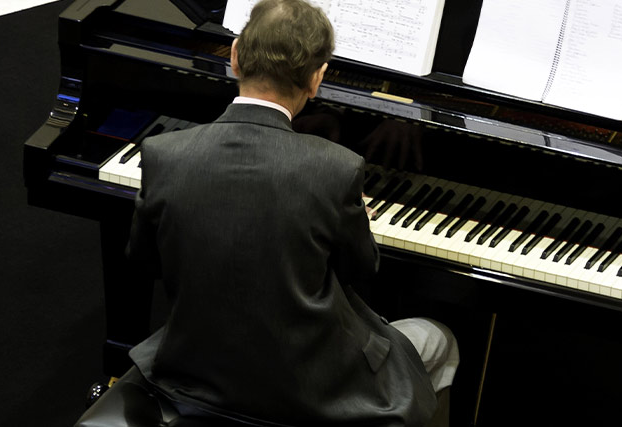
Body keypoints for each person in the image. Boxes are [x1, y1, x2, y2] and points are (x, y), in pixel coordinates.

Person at [117, 0, 458, 425]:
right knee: (439, 339)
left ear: (235, 55)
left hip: (194, 375)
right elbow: (361, 269)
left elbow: (144, 259)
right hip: (308, 394)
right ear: (317, 79)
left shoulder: (164, 154)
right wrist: (345, 214)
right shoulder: (336, 168)